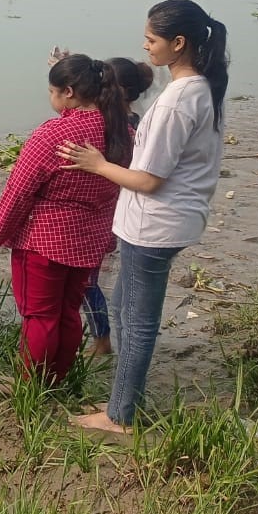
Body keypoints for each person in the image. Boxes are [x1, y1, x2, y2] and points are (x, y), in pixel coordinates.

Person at [61, 0, 228, 433]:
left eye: (152, 39)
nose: (145, 45)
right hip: (169, 219)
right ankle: (122, 398)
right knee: (125, 307)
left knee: (136, 321)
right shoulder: (200, 88)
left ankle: (120, 416)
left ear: (178, 43)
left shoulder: (177, 100)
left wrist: (96, 164)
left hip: (156, 224)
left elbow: (149, 179)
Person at [0, 56, 131, 385]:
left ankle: (29, 385)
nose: (50, 99)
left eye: (51, 91)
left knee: (40, 317)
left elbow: (19, 191)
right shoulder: (122, 131)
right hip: (89, 239)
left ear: (68, 92)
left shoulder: (54, 133)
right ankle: (57, 379)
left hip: (45, 241)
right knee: (67, 312)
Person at [82, 57, 155, 357]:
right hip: (116, 213)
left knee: (87, 282)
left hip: (107, 215)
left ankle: (103, 341)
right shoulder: (133, 122)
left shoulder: (119, 128)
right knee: (92, 280)